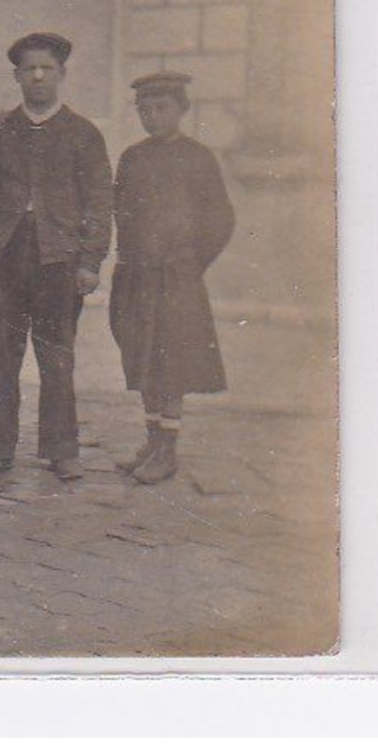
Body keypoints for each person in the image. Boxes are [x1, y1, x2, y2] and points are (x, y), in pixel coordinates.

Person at [0, 32, 114, 480]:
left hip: (59, 259)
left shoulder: (83, 134)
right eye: (30, 69)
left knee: (57, 356)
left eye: (47, 68)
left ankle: (62, 448)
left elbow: (99, 203)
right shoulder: (2, 133)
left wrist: (90, 262)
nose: (39, 76)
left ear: (62, 74)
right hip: (3, 256)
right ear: (17, 76)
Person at [109, 72, 235, 484]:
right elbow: (122, 213)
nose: (152, 117)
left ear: (181, 109)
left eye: (161, 108)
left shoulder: (198, 157)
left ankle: (168, 449)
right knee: (142, 357)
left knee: (172, 361)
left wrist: (190, 262)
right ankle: (151, 439)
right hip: (137, 276)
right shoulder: (133, 157)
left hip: (177, 279)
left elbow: (220, 219)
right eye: (144, 110)